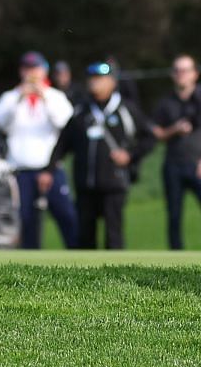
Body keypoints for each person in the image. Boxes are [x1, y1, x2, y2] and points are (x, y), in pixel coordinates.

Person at [50, 62, 152, 250]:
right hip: (85, 184)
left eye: (100, 79)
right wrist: (49, 169)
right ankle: (85, 278)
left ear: (112, 82)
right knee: (85, 235)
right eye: (92, 79)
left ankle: (114, 276)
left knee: (113, 235)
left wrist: (130, 156)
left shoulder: (125, 109)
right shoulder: (81, 111)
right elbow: (64, 143)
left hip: (114, 184)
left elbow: (149, 138)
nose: (94, 83)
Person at [0, 51, 79, 249]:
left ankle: (78, 257)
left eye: (35, 69)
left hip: (51, 169)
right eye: (27, 69)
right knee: (27, 222)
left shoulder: (55, 96)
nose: (31, 74)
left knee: (67, 217)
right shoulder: (10, 97)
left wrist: (43, 96)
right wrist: (19, 98)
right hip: (21, 171)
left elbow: (64, 122)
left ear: (44, 71)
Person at [149, 54, 201, 251]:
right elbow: (156, 133)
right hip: (173, 166)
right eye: (177, 70)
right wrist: (174, 129)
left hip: (199, 166)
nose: (181, 75)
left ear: (194, 74)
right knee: (174, 217)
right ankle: (175, 261)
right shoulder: (166, 103)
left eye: (185, 70)